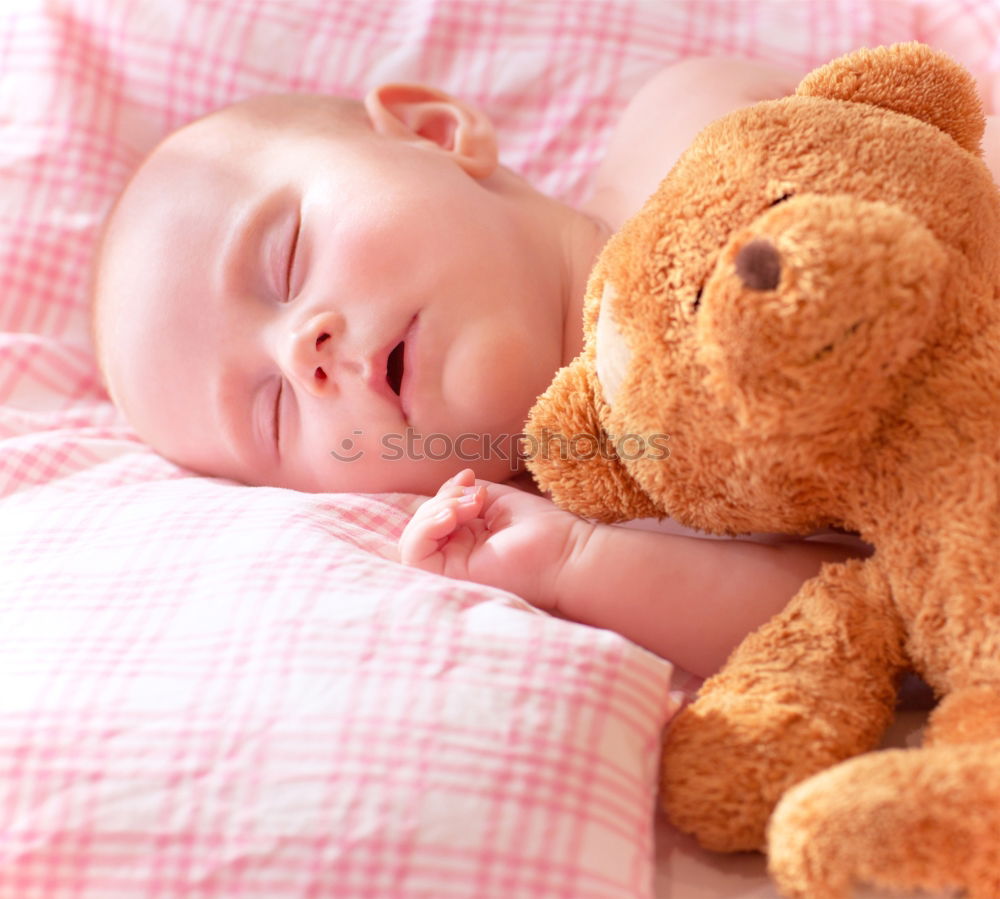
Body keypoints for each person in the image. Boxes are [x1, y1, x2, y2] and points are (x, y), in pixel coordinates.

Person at [90, 56, 1000, 677]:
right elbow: (882, 616)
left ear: (435, 132)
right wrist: (578, 563)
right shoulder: (611, 512)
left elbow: (918, 149)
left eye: (287, 258)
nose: (303, 353)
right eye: (272, 413)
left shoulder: (685, 117)